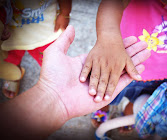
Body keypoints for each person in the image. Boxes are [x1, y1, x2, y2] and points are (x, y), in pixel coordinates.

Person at [0, 25, 151, 140]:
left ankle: (128, 112)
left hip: (153, 73)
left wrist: (51, 95)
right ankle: (105, 110)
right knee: (104, 89)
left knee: (116, 87)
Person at [90, 0, 167, 130]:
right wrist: (108, 37)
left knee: (142, 102)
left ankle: (128, 114)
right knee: (105, 94)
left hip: (160, 75)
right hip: (120, 67)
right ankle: (103, 107)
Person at [0, 0, 72, 98]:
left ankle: (56, 80)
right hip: (11, 32)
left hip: (44, 29)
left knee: (51, 60)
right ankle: (14, 75)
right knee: (10, 59)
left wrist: (65, 13)